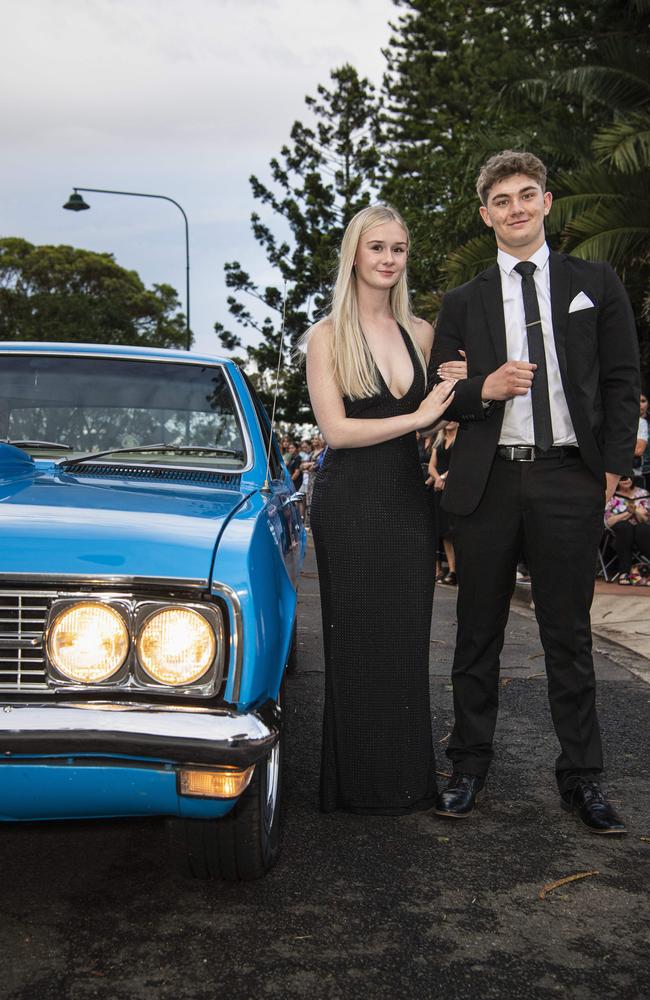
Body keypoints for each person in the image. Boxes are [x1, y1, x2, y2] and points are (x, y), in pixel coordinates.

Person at [430, 150, 640, 835]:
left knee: (569, 636)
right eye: (502, 199)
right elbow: (445, 394)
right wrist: (480, 391)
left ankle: (582, 780)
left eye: (528, 195)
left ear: (547, 203)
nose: (516, 208)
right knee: (477, 633)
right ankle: (467, 768)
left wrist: (607, 472)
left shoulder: (594, 283)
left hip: (567, 478)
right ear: (485, 213)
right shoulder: (462, 303)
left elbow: (619, 380)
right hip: (489, 480)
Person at [305, 204, 465, 814]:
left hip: (406, 500)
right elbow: (337, 432)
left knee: (403, 643)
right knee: (353, 644)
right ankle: (353, 787)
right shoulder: (327, 336)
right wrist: (421, 416)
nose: (388, 260)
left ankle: (405, 782)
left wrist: (458, 388)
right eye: (377, 248)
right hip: (348, 503)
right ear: (355, 254)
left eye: (398, 249)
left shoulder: (420, 333)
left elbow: (442, 414)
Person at [427, 420, 458, 585]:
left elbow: (459, 463)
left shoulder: (461, 440)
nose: (450, 421)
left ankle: (455, 571)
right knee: (444, 532)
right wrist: (437, 478)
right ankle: (451, 570)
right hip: (439, 489)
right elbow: (432, 465)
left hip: (454, 487)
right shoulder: (439, 441)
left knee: (454, 532)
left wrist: (443, 478)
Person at [604, 476, 650, 585]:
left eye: (629, 477)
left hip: (642, 530)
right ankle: (624, 572)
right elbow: (608, 522)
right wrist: (628, 513)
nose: (627, 480)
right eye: (623, 478)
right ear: (617, 480)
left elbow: (647, 520)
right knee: (624, 527)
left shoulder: (643, 494)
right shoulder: (612, 495)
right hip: (619, 533)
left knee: (642, 528)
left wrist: (637, 512)